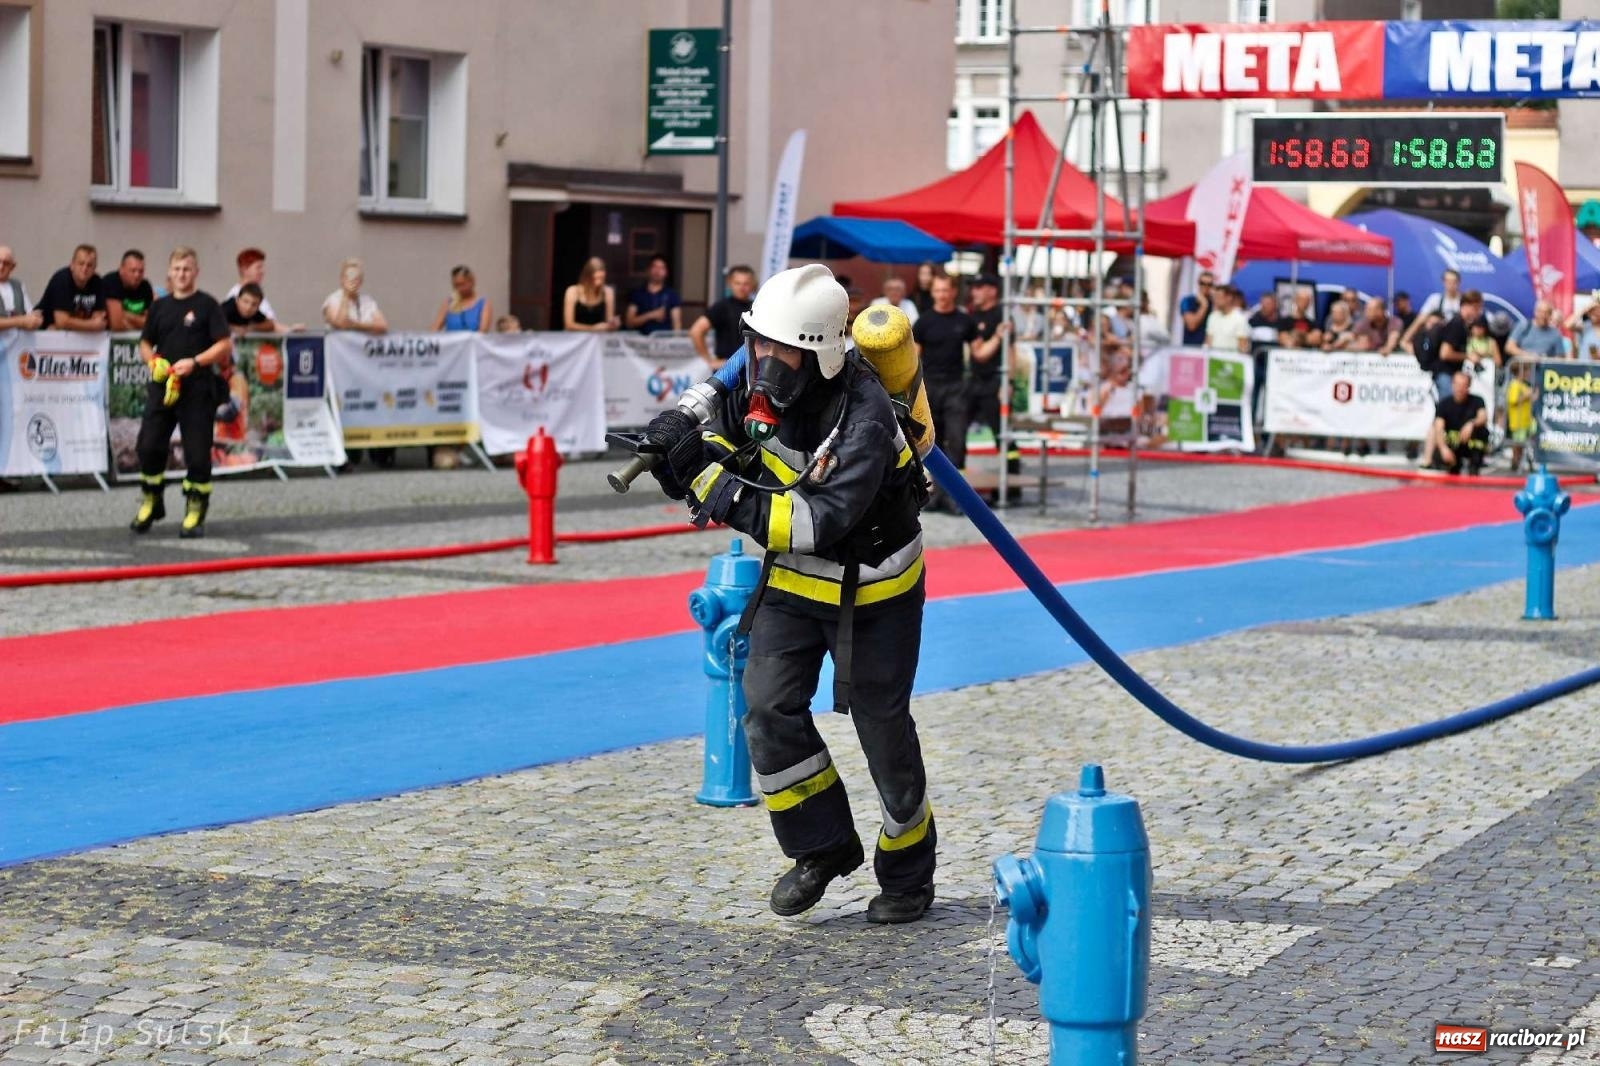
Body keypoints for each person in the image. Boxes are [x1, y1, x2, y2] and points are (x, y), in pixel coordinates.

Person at [641, 263, 936, 923]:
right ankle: (822, 847)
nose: (766, 363)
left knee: (882, 729)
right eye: (760, 345)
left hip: (876, 592)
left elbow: (810, 521)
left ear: (825, 354)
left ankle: (909, 872)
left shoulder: (864, 419)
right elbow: (719, 438)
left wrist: (707, 484)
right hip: (795, 589)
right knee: (766, 708)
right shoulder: (751, 374)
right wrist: (673, 448)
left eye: (784, 352)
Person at [130, 247, 232, 538]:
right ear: (169, 272)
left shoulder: (207, 305)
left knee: (198, 455)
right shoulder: (160, 307)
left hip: (198, 390)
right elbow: (145, 343)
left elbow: (224, 344)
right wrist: (153, 361)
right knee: (148, 447)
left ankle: (195, 510)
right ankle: (152, 500)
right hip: (163, 389)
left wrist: (196, 361)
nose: (181, 274)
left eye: (187, 269)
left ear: (195, 272)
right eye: (176, 269)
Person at [912, 273, 977, 476]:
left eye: (945, 290)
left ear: (954, 292)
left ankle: (955, 492)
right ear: (932, 293)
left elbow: (979, 353)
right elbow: (913, 358)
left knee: (957, 438)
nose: (941, 295)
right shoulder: (923, 322)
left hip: (956, 386)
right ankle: (935, 489)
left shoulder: (965, 320)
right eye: (938, 290)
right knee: (932, 440)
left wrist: (999, 337)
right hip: (930, 386)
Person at [965, 274, 1012, 475]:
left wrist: (1007, 381)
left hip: (995, 380)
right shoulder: (972, 316)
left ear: (992, 290)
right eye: (973, 287)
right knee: (956, 429)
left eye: (979, 287)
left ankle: (1010, 482)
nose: (974, 291)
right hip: (973, 380)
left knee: (1001, 433)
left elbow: (1012, 350)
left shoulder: (1001, 315)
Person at [689, 264, 756, 369]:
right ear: (730, 284)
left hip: (752, 368)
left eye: (746, 284)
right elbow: (696, 331)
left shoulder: (757, 307)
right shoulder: (722, 306)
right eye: (737, 283)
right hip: (727, 368)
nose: (742, 287)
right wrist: (709, 361)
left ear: (752, 285)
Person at [1428, 370, 1487, 476]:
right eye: (1457, 384)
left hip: (1471, 443)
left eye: (1463, 385)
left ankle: (1474, 466)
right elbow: (1438, 427)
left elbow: (1483, 417)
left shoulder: (1477, 401)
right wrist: (1443, 448)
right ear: (1452, 385)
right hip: (1453, 443)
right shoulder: (1444, 404)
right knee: (1440, 455)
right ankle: (1451, 466)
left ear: (1468, 386)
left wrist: (1471, 424)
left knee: (1480, 434)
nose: (1460, 388)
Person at [35, 244, 107, 331]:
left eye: (89, 265)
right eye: (81, 263)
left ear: (94, 269)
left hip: (77, 335)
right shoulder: (61, 279)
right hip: (45, 333)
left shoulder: (97, 282)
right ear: (72, 265)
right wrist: (91, 325)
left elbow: (99, 319)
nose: (84, 268)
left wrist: (89, 324)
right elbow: (61, 322)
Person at [1429, 290, 1484, 399]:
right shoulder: (1456, 325)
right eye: (1476, 308)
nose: (1479, 312)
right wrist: (1468, 356)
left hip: (1450, 374)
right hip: (1445, 374)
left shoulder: (1463, 325)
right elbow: (1445, 354)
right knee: (1447, 409)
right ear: (1466, 306)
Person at [321, 258, 388, 334]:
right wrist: (346, 296)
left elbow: (382, 326)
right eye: (349, 276)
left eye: (356, 278)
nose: (352, 280)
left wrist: (355, 325)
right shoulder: (332, 299)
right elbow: (341, 324)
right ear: (342, 280)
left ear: (361, 281)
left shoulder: (367, 300)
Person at [1404, 269, 1462, 350]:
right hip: (1438, 342)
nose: (1451, 284)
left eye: (1454, 281)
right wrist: (1405, 340)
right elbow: (1419, 320)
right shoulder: (1435, 299)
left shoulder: (1464, 302)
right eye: (1448, 281)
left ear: (1459, 282)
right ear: (1443, 282)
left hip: (1458, 342)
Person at [624, 254, 683, 335]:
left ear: (666, 273)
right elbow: (629, 323)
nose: (657, 271)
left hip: (664, 342)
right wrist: (651, 315)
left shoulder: (672, 294)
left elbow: (677, 325)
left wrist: (675, 343)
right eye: (655, 267)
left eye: (662, 268)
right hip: (640, 342)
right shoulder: (637, 293)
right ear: (648, 270)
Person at [102, 250, 155, 332]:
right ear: (121, 269)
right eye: (133, 270)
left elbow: (151, 323)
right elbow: (117, 325)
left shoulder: (145, 286)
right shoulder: (111, 282)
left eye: (141, 271)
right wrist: (139, 321)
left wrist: (126, 315)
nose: (137, 275)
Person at [563, 257, 619, 332]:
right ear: (587, 277)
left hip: (598, 337)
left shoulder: (608, 292)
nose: (598, 283)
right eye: (595, 279)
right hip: (576, 337)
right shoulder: (572, 291)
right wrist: (592, 328)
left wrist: (613, 325)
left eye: (601, 279)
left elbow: (608, 324)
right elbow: (568, 325)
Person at [430, 265, 492, 333]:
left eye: (462, 284)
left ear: (472, 282)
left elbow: (483, 331)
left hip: (472, 343)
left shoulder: (483, 303)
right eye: (456, 285)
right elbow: (436, 327)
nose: (459, 289)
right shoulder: (448, 302)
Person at [225, 248, 279, 322]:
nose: (262, 271)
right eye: (258, 267)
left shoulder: (256, 292)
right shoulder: (235, 295)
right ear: (244, 269)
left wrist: (291, 330)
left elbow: (271, 322)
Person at [0, 246, 43, 331]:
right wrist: (20, 321)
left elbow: (29, 313)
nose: (1, 267)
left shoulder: (18, 286)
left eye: (6, 263)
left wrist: (35, 319)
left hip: (18, 341)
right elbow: (23, 320)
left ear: (13, 266)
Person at [1505, 360, 1535, 472]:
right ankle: (1515, 462)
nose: (1528, 374)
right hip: (1517, 421)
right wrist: (1526, 396)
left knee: (1523, 443)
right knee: (1517, 444)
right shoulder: (1514, 385)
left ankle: (1522, 461)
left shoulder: (1523, 385)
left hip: (1526, 419)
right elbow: (1513, 400)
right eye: (1526, 371)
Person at [1204, 284, 1249, 353]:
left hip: (1231, 361)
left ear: (1229, 298)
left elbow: (1243, 347)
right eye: (1214, 297)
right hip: (1212, 360)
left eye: (1218, 297)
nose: (1215, 300)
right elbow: (1208, 341)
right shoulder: (1212, 316)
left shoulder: (1240, 318)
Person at [1178, 271, 1214, 347]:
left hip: (1209, 349)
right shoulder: (1188, 301)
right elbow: (1191, 325)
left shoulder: (1215, 304)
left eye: (1209, 284)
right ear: (1198, 283)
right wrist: (1204, 306)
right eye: (1202, 283)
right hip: (1191, 348)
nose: (1206, 287)